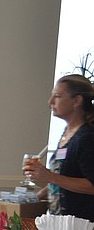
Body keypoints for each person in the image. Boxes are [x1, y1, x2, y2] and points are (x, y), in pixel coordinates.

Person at [25, 74, 94, 222]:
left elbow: (91, 185)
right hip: (59, 221)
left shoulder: (87, 137)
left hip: (81, 227)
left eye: (57, 96)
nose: (50, 101)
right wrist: (37, 196)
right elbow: (65, 179)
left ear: (77, 101)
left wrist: (50, 177)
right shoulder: (67, 133)